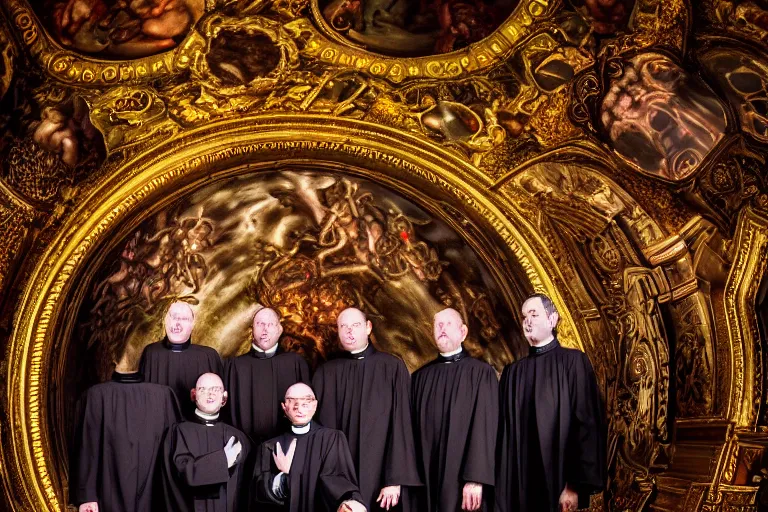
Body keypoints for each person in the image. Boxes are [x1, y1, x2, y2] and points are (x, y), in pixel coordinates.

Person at [495, 293, 606, 512]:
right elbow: (503, 437)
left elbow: (586, 424)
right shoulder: (512, 373)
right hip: (520, 489)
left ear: (552, 320)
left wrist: (574, 486)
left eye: (534, 314)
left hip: (560, 485)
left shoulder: (574, 362)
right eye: (524, 316)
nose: (527, 321)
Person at [313, 307, 421, 511]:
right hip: (338, 481)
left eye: (355, 325)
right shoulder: (325, 374)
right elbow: (318, 434)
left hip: (381, 477)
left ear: (368, 327)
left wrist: (394, 478)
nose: (349, 332)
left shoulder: (391, 367)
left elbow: (402, 424)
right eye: (343, 327)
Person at [411, 307, 498, 512]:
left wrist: (476, 478)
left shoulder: (481, 373)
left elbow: (485, 428)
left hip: (464, 480)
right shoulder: (420, 378)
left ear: (463, 332)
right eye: (438, 325)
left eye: (448, 323)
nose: (442, 328)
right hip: (427, 479)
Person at [70, 361, 181, 512]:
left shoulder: (94, 395)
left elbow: (87, 449)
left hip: (148, 495)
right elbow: (87, 448)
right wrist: (87, 497)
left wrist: (87, 496)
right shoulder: (164, 395)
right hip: (121, 497)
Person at [252, 383, 367, 512]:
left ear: (315, 405)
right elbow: (260, 494)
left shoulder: (332, 438)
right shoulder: (269, 446)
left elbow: (337, 479)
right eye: (292, 401)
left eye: (305, 401)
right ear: (284, 407)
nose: (299, 407)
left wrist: (349, 502)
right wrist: (284, 478)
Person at [161, 372, 251, 512]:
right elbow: (182, 473)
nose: (210, 395)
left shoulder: (238, 436)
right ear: (194, 395)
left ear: (224, 398)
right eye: (203, 390)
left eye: (215, 389)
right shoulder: (177, 432)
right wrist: (223, 460)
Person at [225, 307, 310, 445]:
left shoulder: (295, 363)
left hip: (289, 446)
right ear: (252, 329)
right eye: (260, 324)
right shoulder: (234, 366)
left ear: (279, 329)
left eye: (270, 324)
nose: (265, 329)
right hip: (245, 449)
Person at [140, 301, 223, 417]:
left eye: (184, 319)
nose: (177, 323)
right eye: (174, 317)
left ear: (193, 324)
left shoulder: (208, 356)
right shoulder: (151, 353)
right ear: (165, 321)